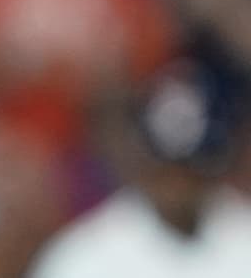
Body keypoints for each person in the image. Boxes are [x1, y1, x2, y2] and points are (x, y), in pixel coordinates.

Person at [26, 58, 251, 278]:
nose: (179, 185)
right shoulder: (82, 256)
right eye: (165, 170)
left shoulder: (243, 233)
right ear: (140, 161)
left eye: (193, 169)